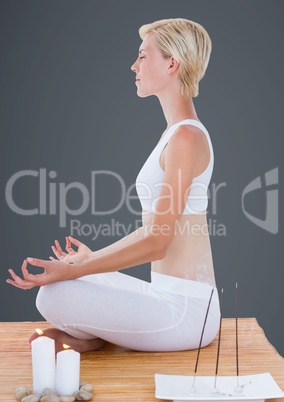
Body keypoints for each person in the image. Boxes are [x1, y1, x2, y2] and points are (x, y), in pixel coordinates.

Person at [7, 18, 220, 353]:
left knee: (54, 293)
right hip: (163, 295)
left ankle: (96, 337)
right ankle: (99, 335)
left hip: (189, 313)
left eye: (142, 56)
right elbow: (152, 229)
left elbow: (157, 243)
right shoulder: (175, 135)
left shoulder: (187, 138)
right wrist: (87, 261)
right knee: (74, 278)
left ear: (172, 64)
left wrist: (70, 269)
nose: (133, 65)